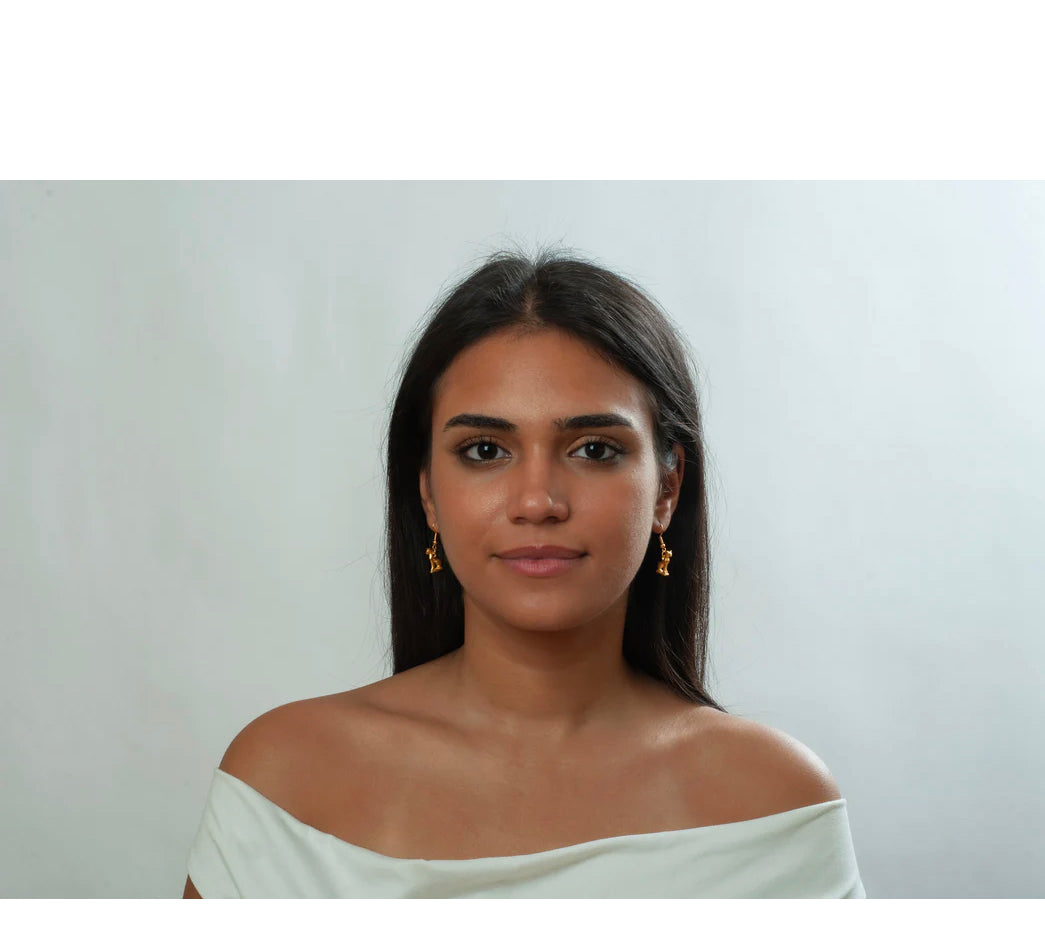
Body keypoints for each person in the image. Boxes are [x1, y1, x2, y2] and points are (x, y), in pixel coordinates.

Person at [183, 249, 865, 898]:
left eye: (595, 449)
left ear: (667, 489)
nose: (538, 501)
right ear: (426, 493)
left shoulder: (774, 799)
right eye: (485, 450)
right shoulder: (285, 778)